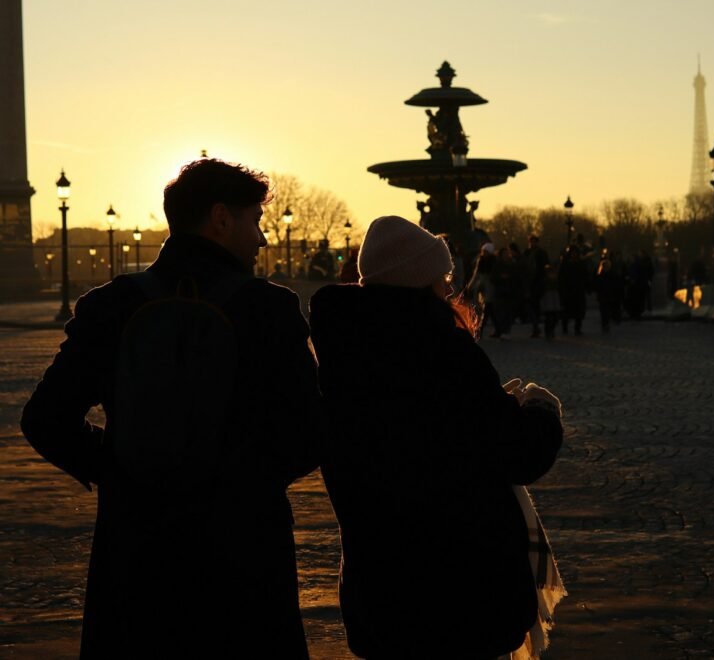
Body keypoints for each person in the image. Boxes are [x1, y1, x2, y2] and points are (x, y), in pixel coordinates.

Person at [21, 159, 320, 659]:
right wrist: (246, 479)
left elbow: (45, 419)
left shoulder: (110, 305)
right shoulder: (269, 309)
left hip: (137, 549)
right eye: (255, 221)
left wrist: (119, 466)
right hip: (243, 552)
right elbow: (309, 432)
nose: (262, 239)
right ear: (221, 218)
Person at [309, 215, 564, 660]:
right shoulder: (444, 353)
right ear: (417, 281)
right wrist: (541, 412)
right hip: (461, 586)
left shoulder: (340, 357)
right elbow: (518, 453)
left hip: (381, 586)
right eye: (441, 277)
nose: (448, 288)